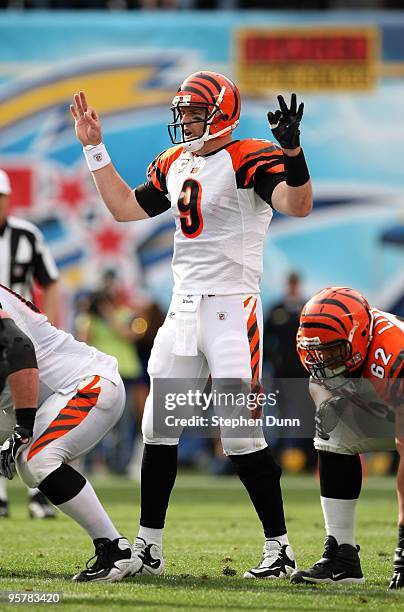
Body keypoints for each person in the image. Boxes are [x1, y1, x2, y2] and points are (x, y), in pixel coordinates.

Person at [71, 70, 313, 579]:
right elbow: (123, 208)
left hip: (230, 309)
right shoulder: (174, 161)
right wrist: (95, 149)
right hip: (183, 308)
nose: (184, 120)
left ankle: (280, 549)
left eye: (194, 111)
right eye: (181, 111)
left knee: (240, 433)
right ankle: (148, 549)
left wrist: (293, 155)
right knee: (157, 427)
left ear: (222, 110)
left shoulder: (248, 155)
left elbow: (298, 204)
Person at [0, 284, 142, 582]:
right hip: (45, 395)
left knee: (37, 460)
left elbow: (19, 348)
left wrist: (22, 429)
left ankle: (115, 549)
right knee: (32, 465)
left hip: (84, 384)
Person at [291, 286, 403, 588]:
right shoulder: (326, 347)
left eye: (332, 350)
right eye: (319, 350)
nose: (324, 358)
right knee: (332, 430)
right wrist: (328, 403)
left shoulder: (394, 356)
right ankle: (342, 559)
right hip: (386, 408)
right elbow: (317, 383)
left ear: (360, 336)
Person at [0, 168, 60, 519]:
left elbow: (49, 281)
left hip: (22, 337)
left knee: (30, 411)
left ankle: (38, 491)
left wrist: (47, 325)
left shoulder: (26, 235)